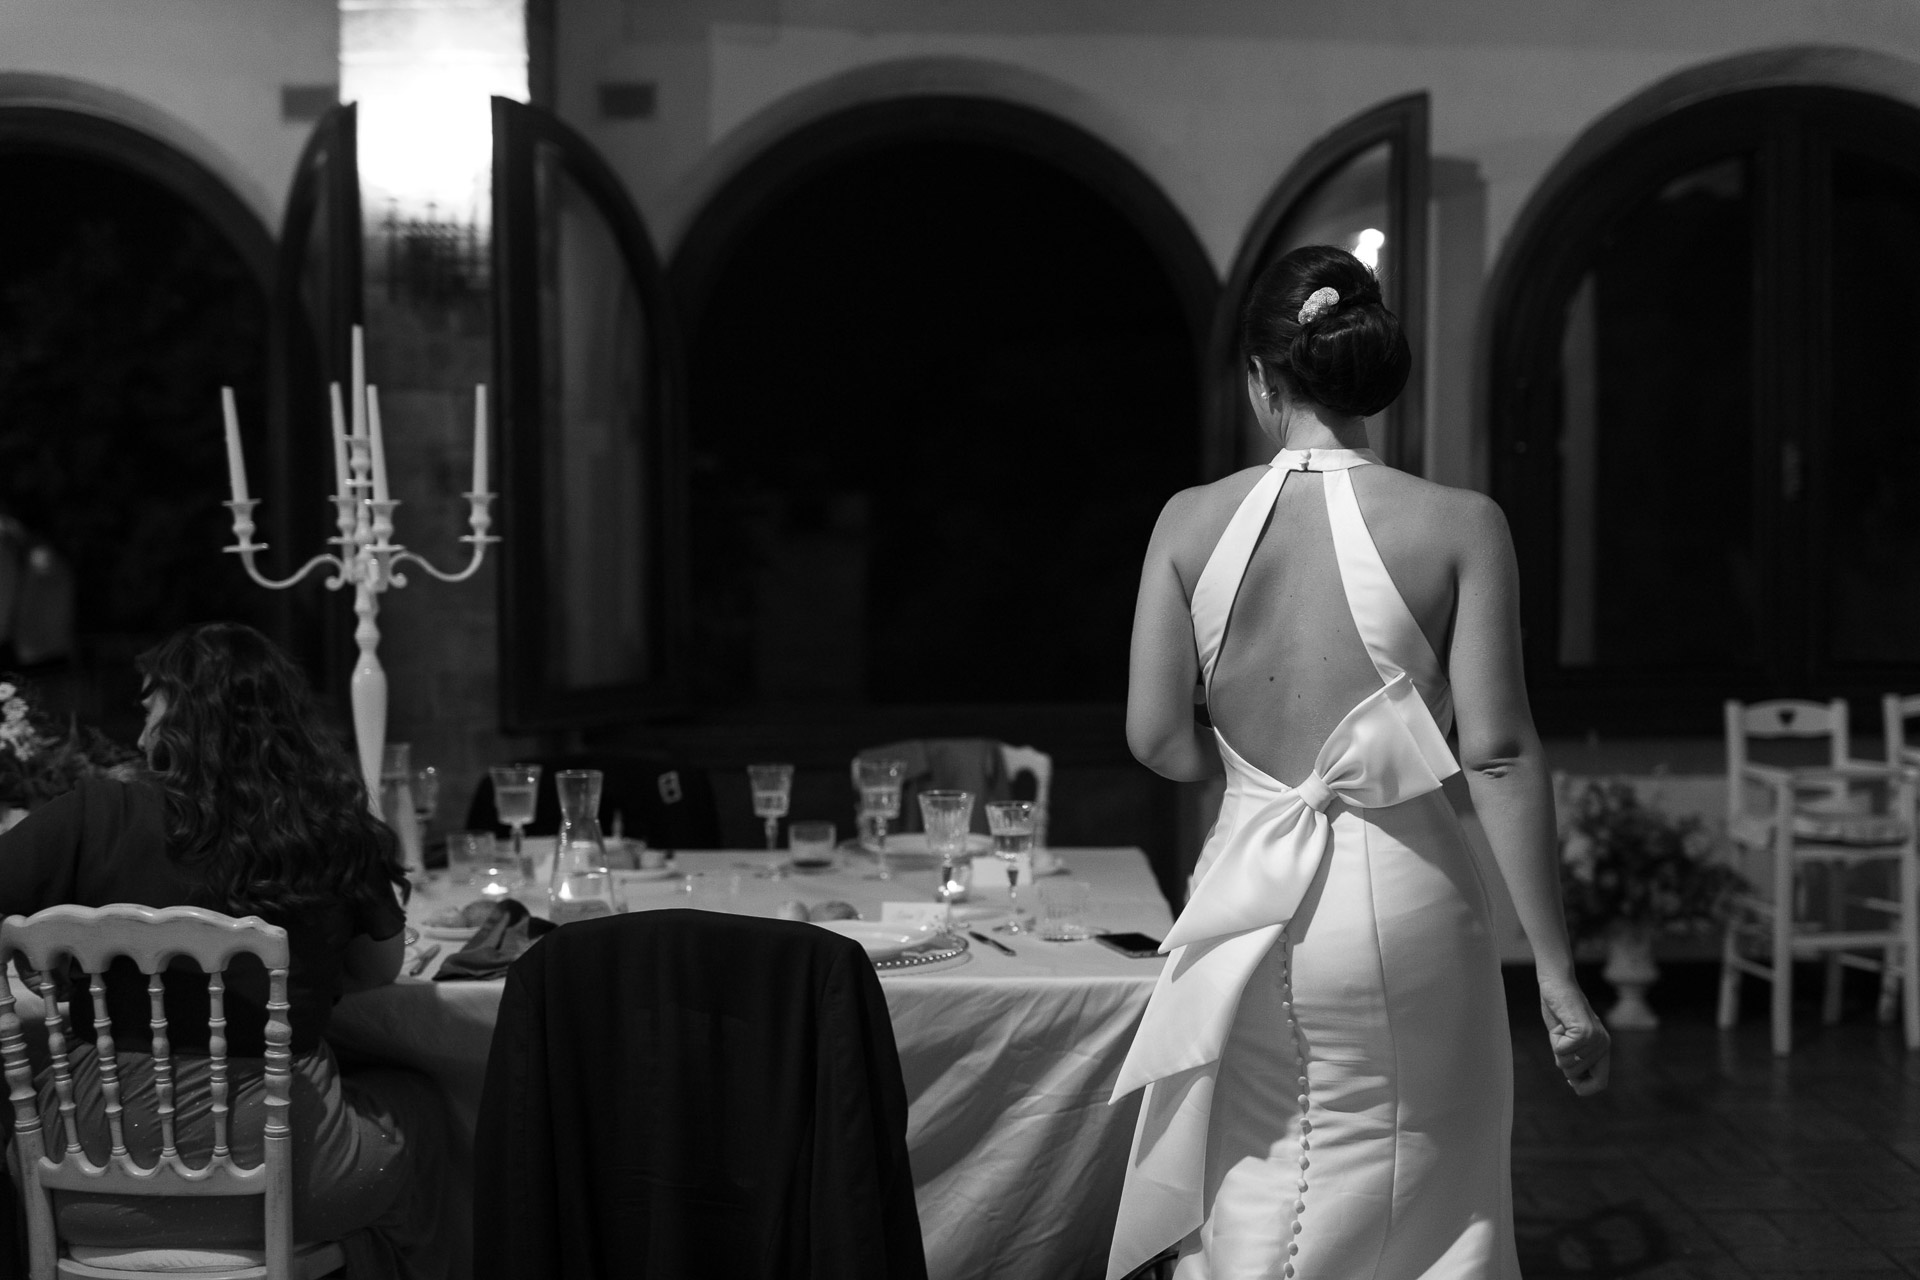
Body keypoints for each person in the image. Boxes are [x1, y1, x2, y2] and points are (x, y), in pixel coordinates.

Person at [1112, 245, 1609, 1280]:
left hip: (1242, 900)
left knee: (1248, 1180)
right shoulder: (1461, 523)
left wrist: (1255, 779)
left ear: (1262, 378)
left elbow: (1155, 738)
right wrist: (1558, 975)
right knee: (1432, 1193)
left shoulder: (1185, 521)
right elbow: (1499, 756)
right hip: (1406, 895)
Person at [0, 622, 448, 1279]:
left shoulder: (95, 815)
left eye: (150, 706)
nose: (141, 731)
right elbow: (380, 970)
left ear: (182, 715)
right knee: (421, 1101)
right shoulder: (329, 829)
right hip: (286, 1181)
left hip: (86, 1180)